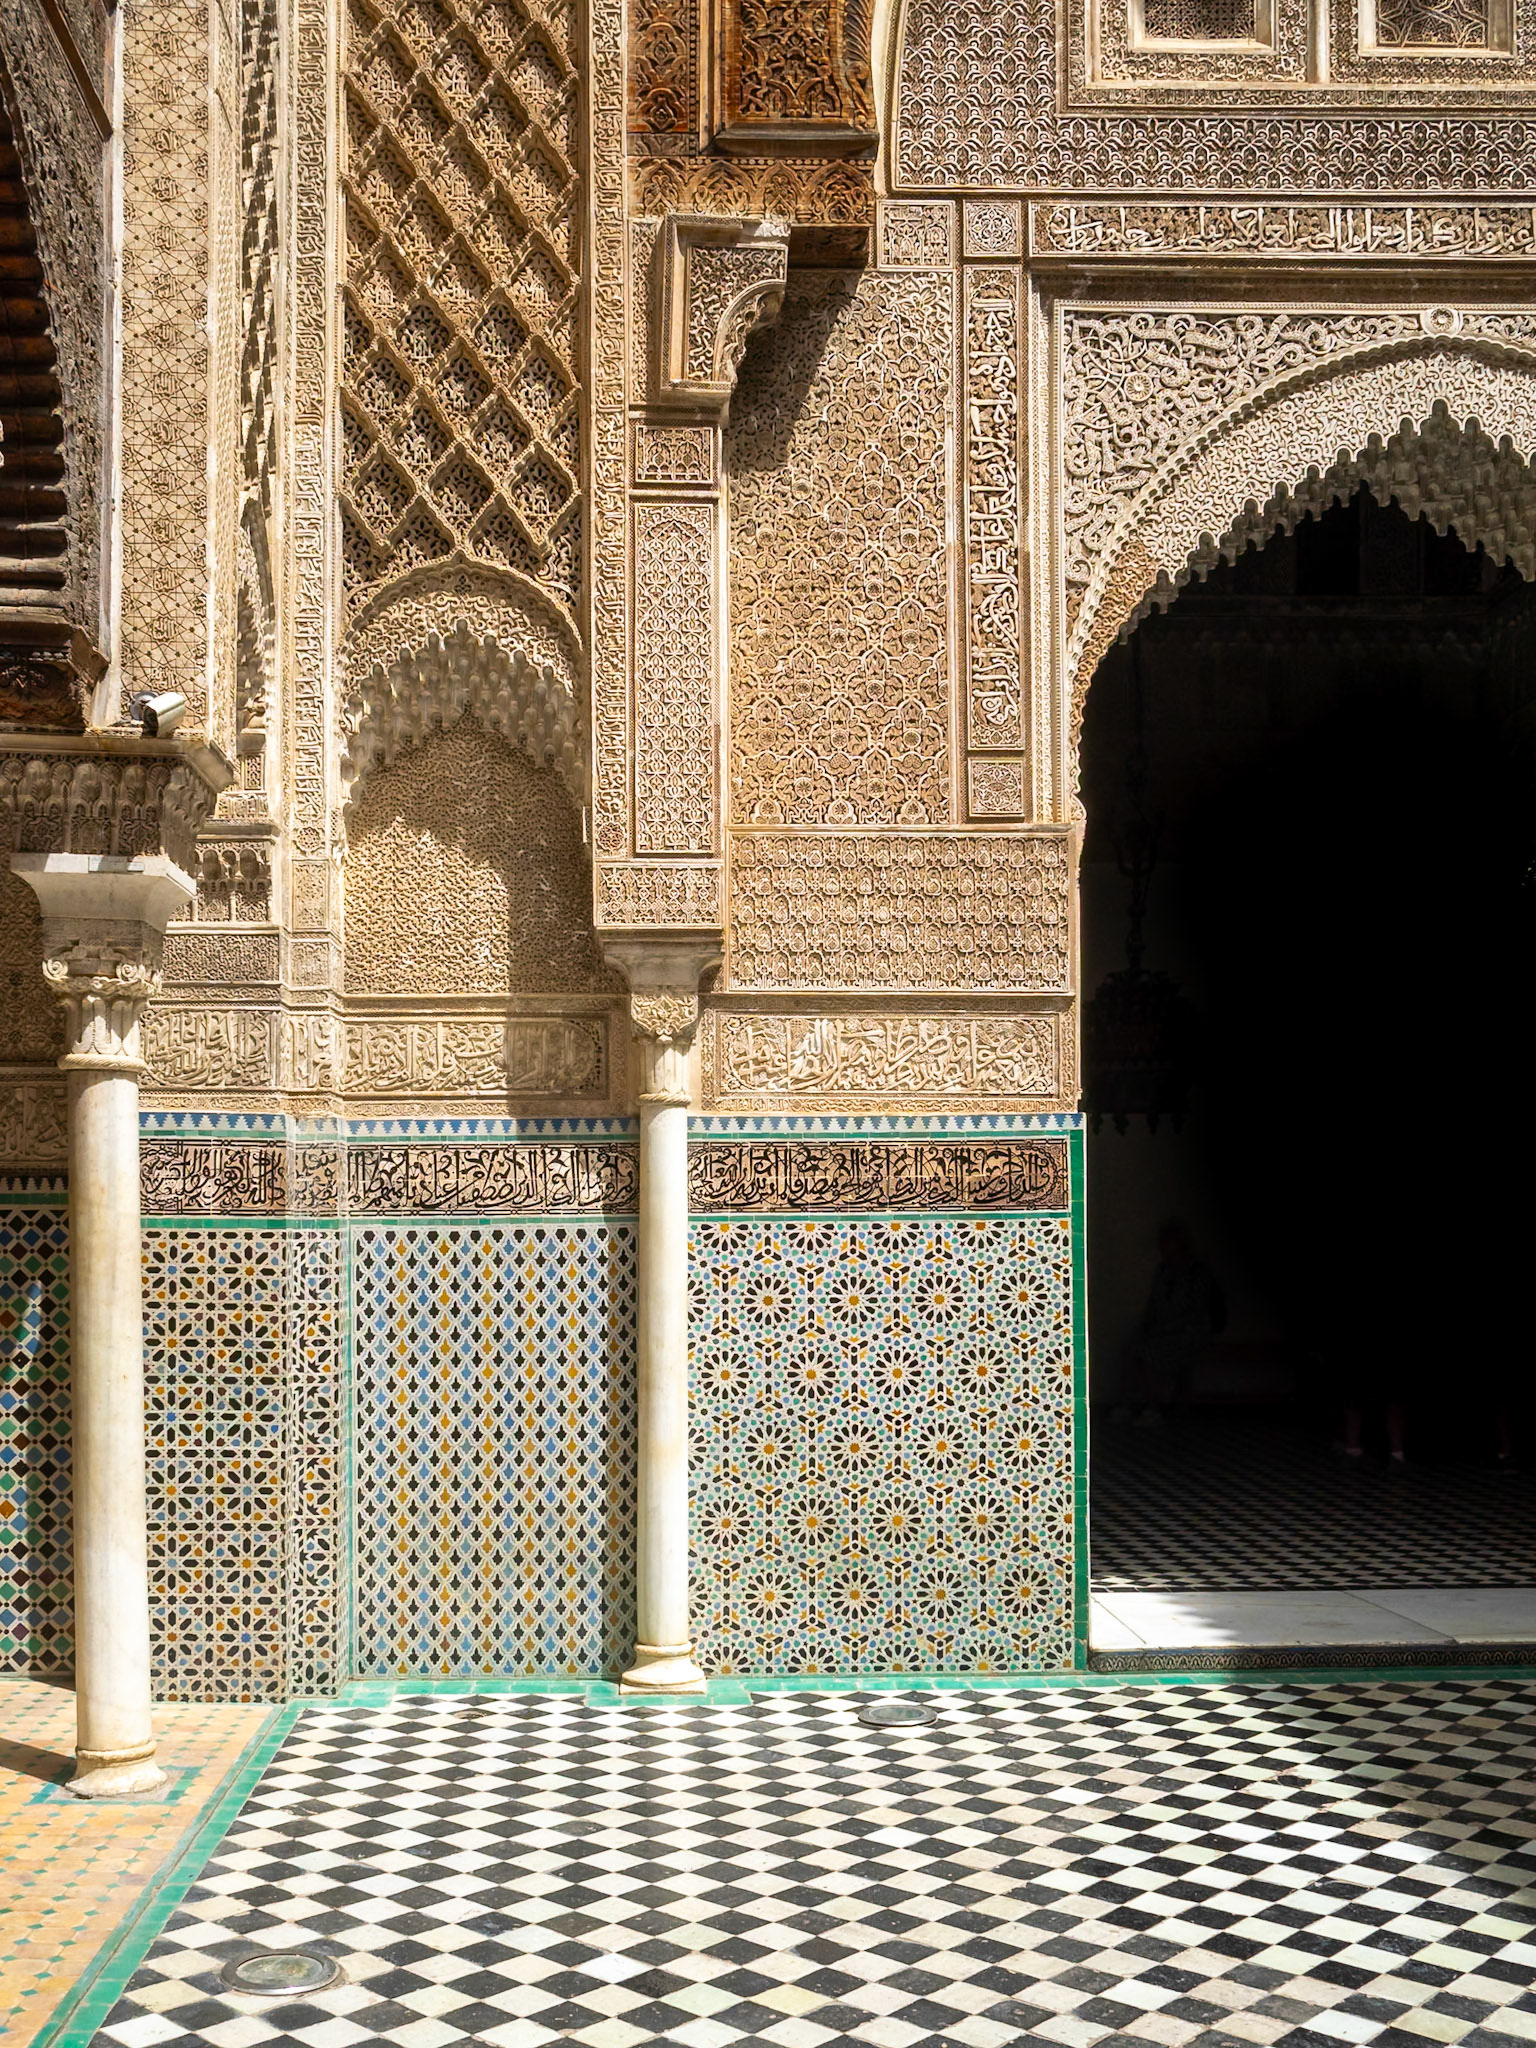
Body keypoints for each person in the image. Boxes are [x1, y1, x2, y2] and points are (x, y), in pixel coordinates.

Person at [1121, 1220, 1227, 1424]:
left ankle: (1153, 1408)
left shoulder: (1198, 1274)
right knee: (1131, 1348)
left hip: (1189, 1334)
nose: (1164, 1248)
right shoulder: (1162, 1272)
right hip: (1163, 1331)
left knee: (1151, 1352)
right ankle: (1125, 1405)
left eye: (1169, 1243)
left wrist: (1165, 1330)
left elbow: (1196, 1313)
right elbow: (1153, 1306)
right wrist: (1146, 1326)